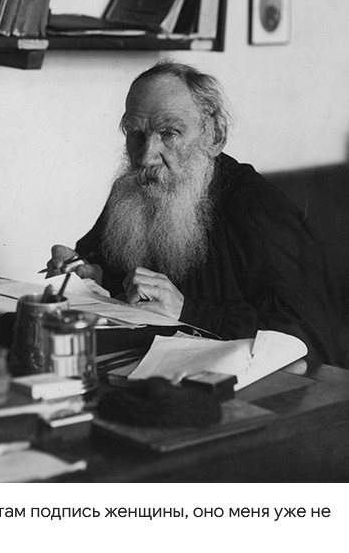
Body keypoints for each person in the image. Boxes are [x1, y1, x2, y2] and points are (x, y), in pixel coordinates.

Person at [45, 60, 342, 366]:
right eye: (136, 134)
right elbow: (109, 268)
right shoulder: (132, 188)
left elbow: (309, 336)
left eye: (169, 133)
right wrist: (89, 273)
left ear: (214, 136)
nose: (146, 157)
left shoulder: (255, 205)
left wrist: (187, 310)